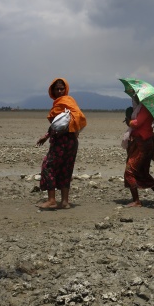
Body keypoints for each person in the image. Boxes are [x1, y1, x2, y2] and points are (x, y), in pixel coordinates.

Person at [36, 78, 87, 209]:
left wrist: (48, 135)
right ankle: (65, 202)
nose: (59, 91)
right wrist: (46, 136)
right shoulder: (69, 102)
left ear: (66, 89)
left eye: (61, 89)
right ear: (52, 90)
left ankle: (52, 200)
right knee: (66, 169)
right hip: (72, 142)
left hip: (61, 142)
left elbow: (58, 125)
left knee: (48, 166)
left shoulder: (64, 102)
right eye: (57, 89)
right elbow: (62, 123)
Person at [123, 95, 154, 207]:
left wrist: (129, 121)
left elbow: (136, 123)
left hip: (143, 143)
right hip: (141, 142)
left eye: (137, 97)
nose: (135, 99)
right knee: (142, 171)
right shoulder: (140, 109)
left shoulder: (145, 109)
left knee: (129, 171)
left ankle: (136, 201)